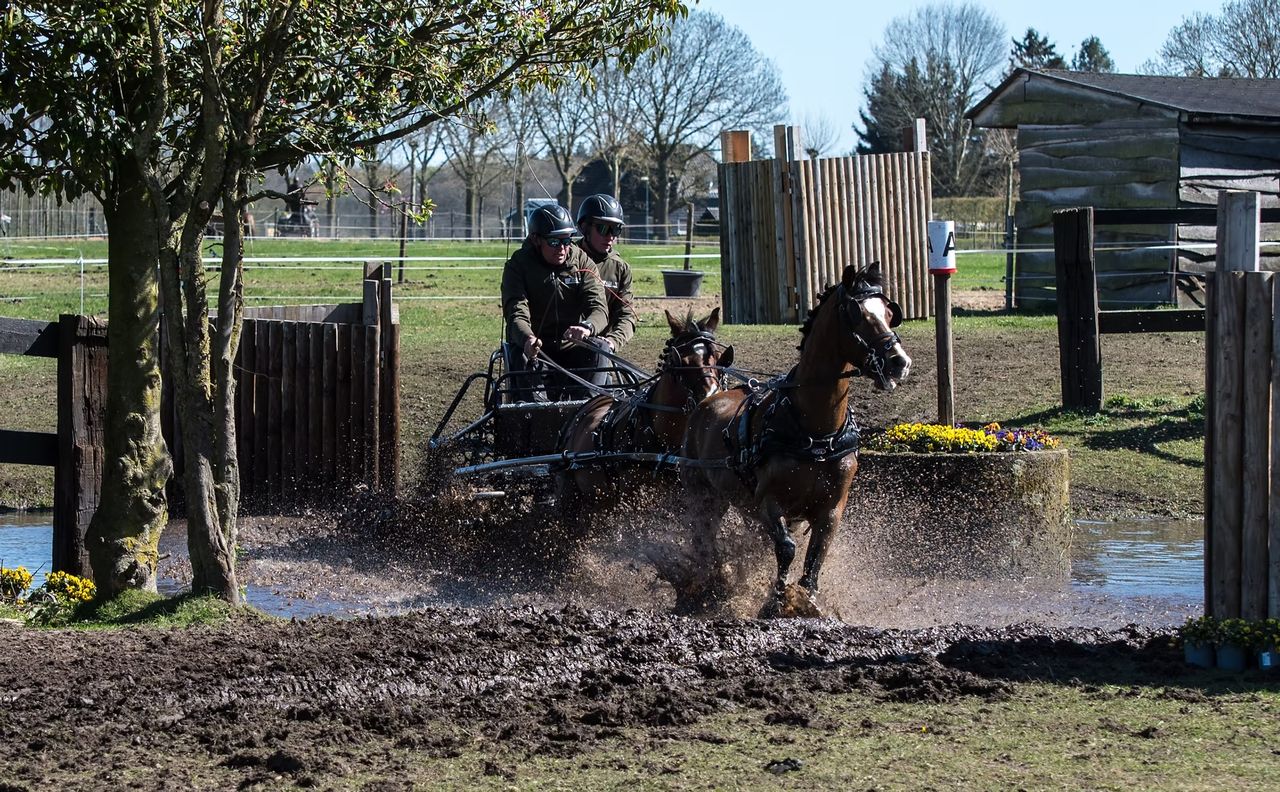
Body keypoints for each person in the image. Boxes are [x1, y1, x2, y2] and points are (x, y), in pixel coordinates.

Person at [501, 203, 610, 400]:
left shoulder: (582, 262)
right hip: (536, 350)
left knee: (600, 347)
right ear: (536, 239)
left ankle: (589, 412)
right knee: (522, 355)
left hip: (573, 348)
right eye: (554, 242)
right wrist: (527, 338)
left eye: (567, 240)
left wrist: (587, 328)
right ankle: (540, 414)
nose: (562, 248)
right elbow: (516, 310)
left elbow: (599, 307)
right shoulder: (518, 266)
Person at [575, 194, 636, 354]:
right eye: (603, 228)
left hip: (598, 350)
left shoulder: (620, 268)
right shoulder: (565, 259)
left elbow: (627, 315)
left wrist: (612, 341)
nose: (610, 236)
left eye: (616, 229)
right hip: (562, 347)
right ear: (584, 228)